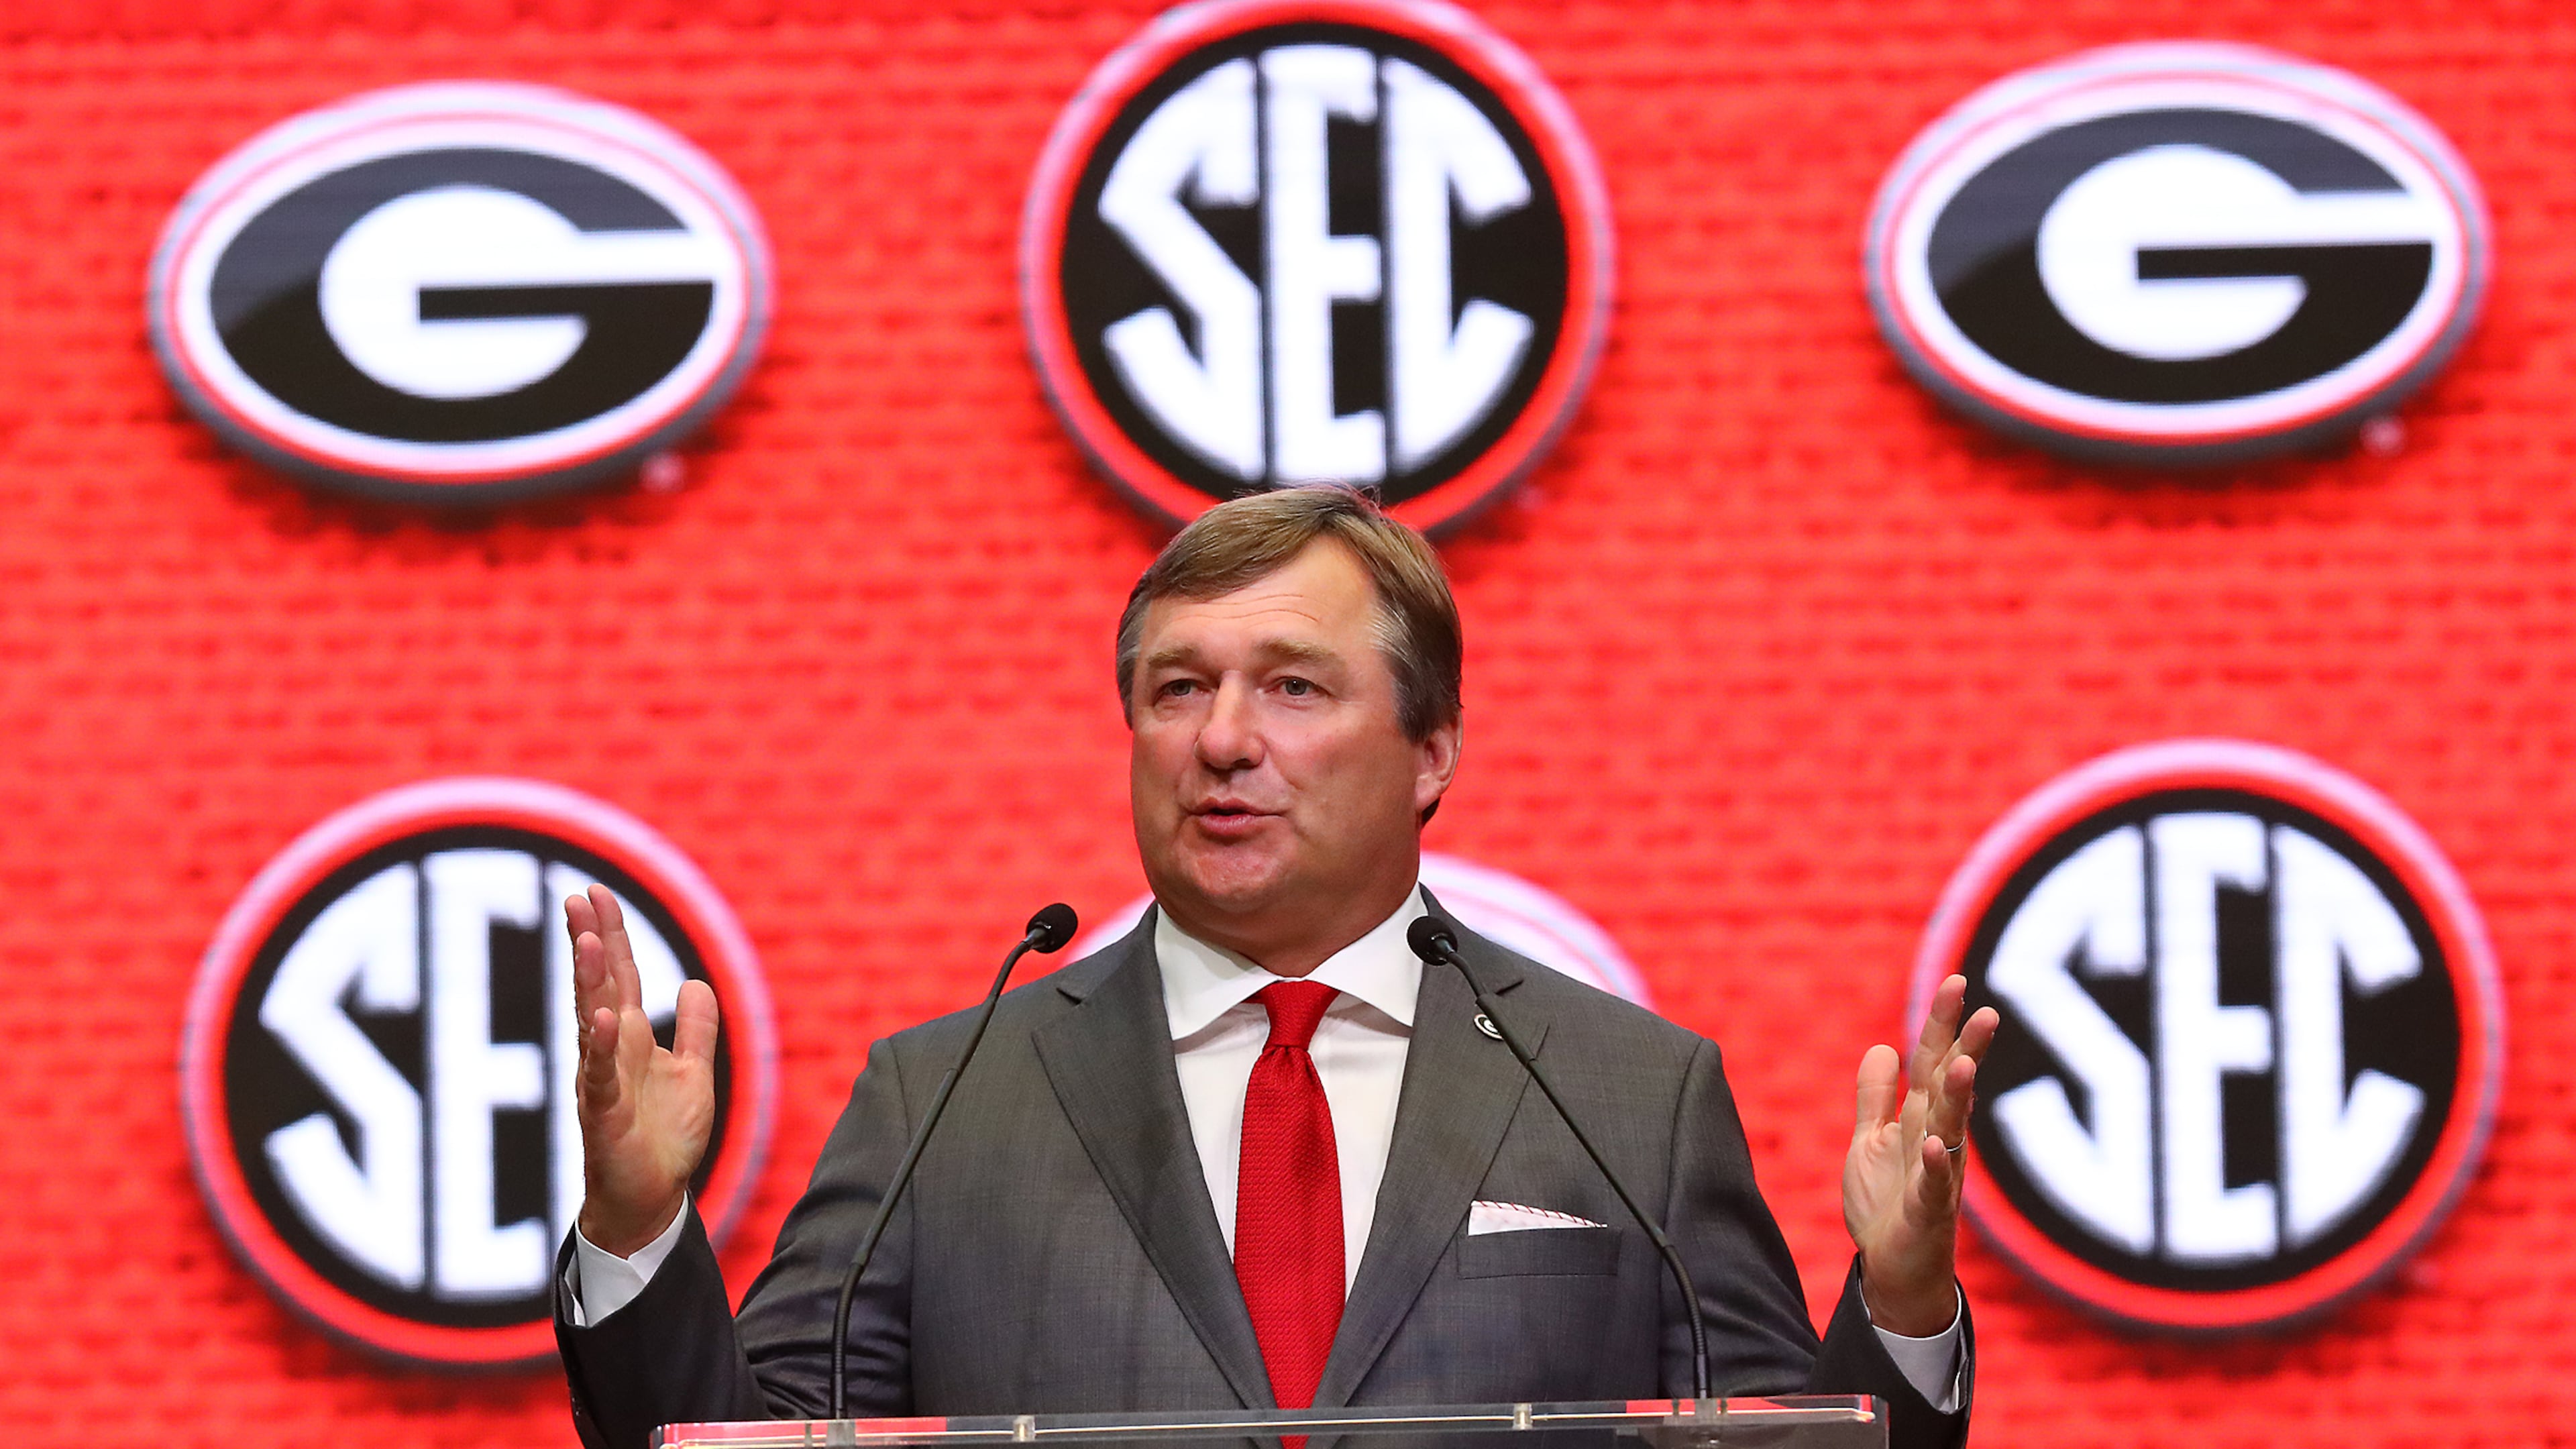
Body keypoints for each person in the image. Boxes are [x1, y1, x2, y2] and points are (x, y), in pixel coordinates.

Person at [553, 486, 1996, 1449]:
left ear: (1433, 752)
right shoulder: (948, 1100)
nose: (1222, 740)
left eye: (1293, 687)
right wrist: (634, 1231)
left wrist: (1907, 1300)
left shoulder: (1626, 1097)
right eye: (1178, 689)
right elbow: (742, 1445)